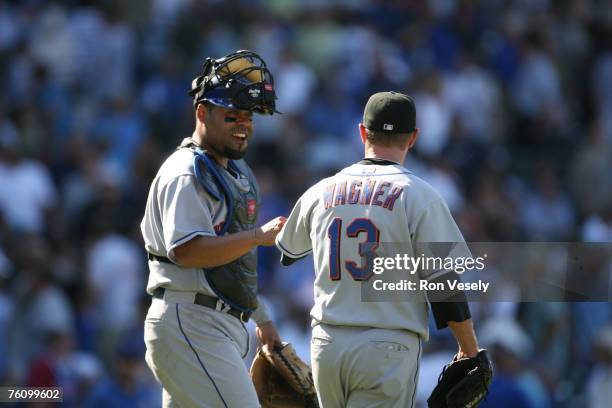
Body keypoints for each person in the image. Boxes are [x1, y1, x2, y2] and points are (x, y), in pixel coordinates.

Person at [276, 91, 482, 407]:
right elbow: (442, 285)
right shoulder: (420, 196)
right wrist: (468, 349)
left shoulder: (320, 190)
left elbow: (288, 252)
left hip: (326, 345)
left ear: (362, 132)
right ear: (413, 138)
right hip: (386, 347)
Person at [141, 50, 286, 407]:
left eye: (248, 118)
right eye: (231, 116)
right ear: (202, 112)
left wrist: (262, 319)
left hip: (212, 323)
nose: (242, 126)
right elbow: (188, 251)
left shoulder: (231, 172)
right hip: (192, 320)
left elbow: (233, 263)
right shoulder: (186, 171)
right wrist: (258, 236)